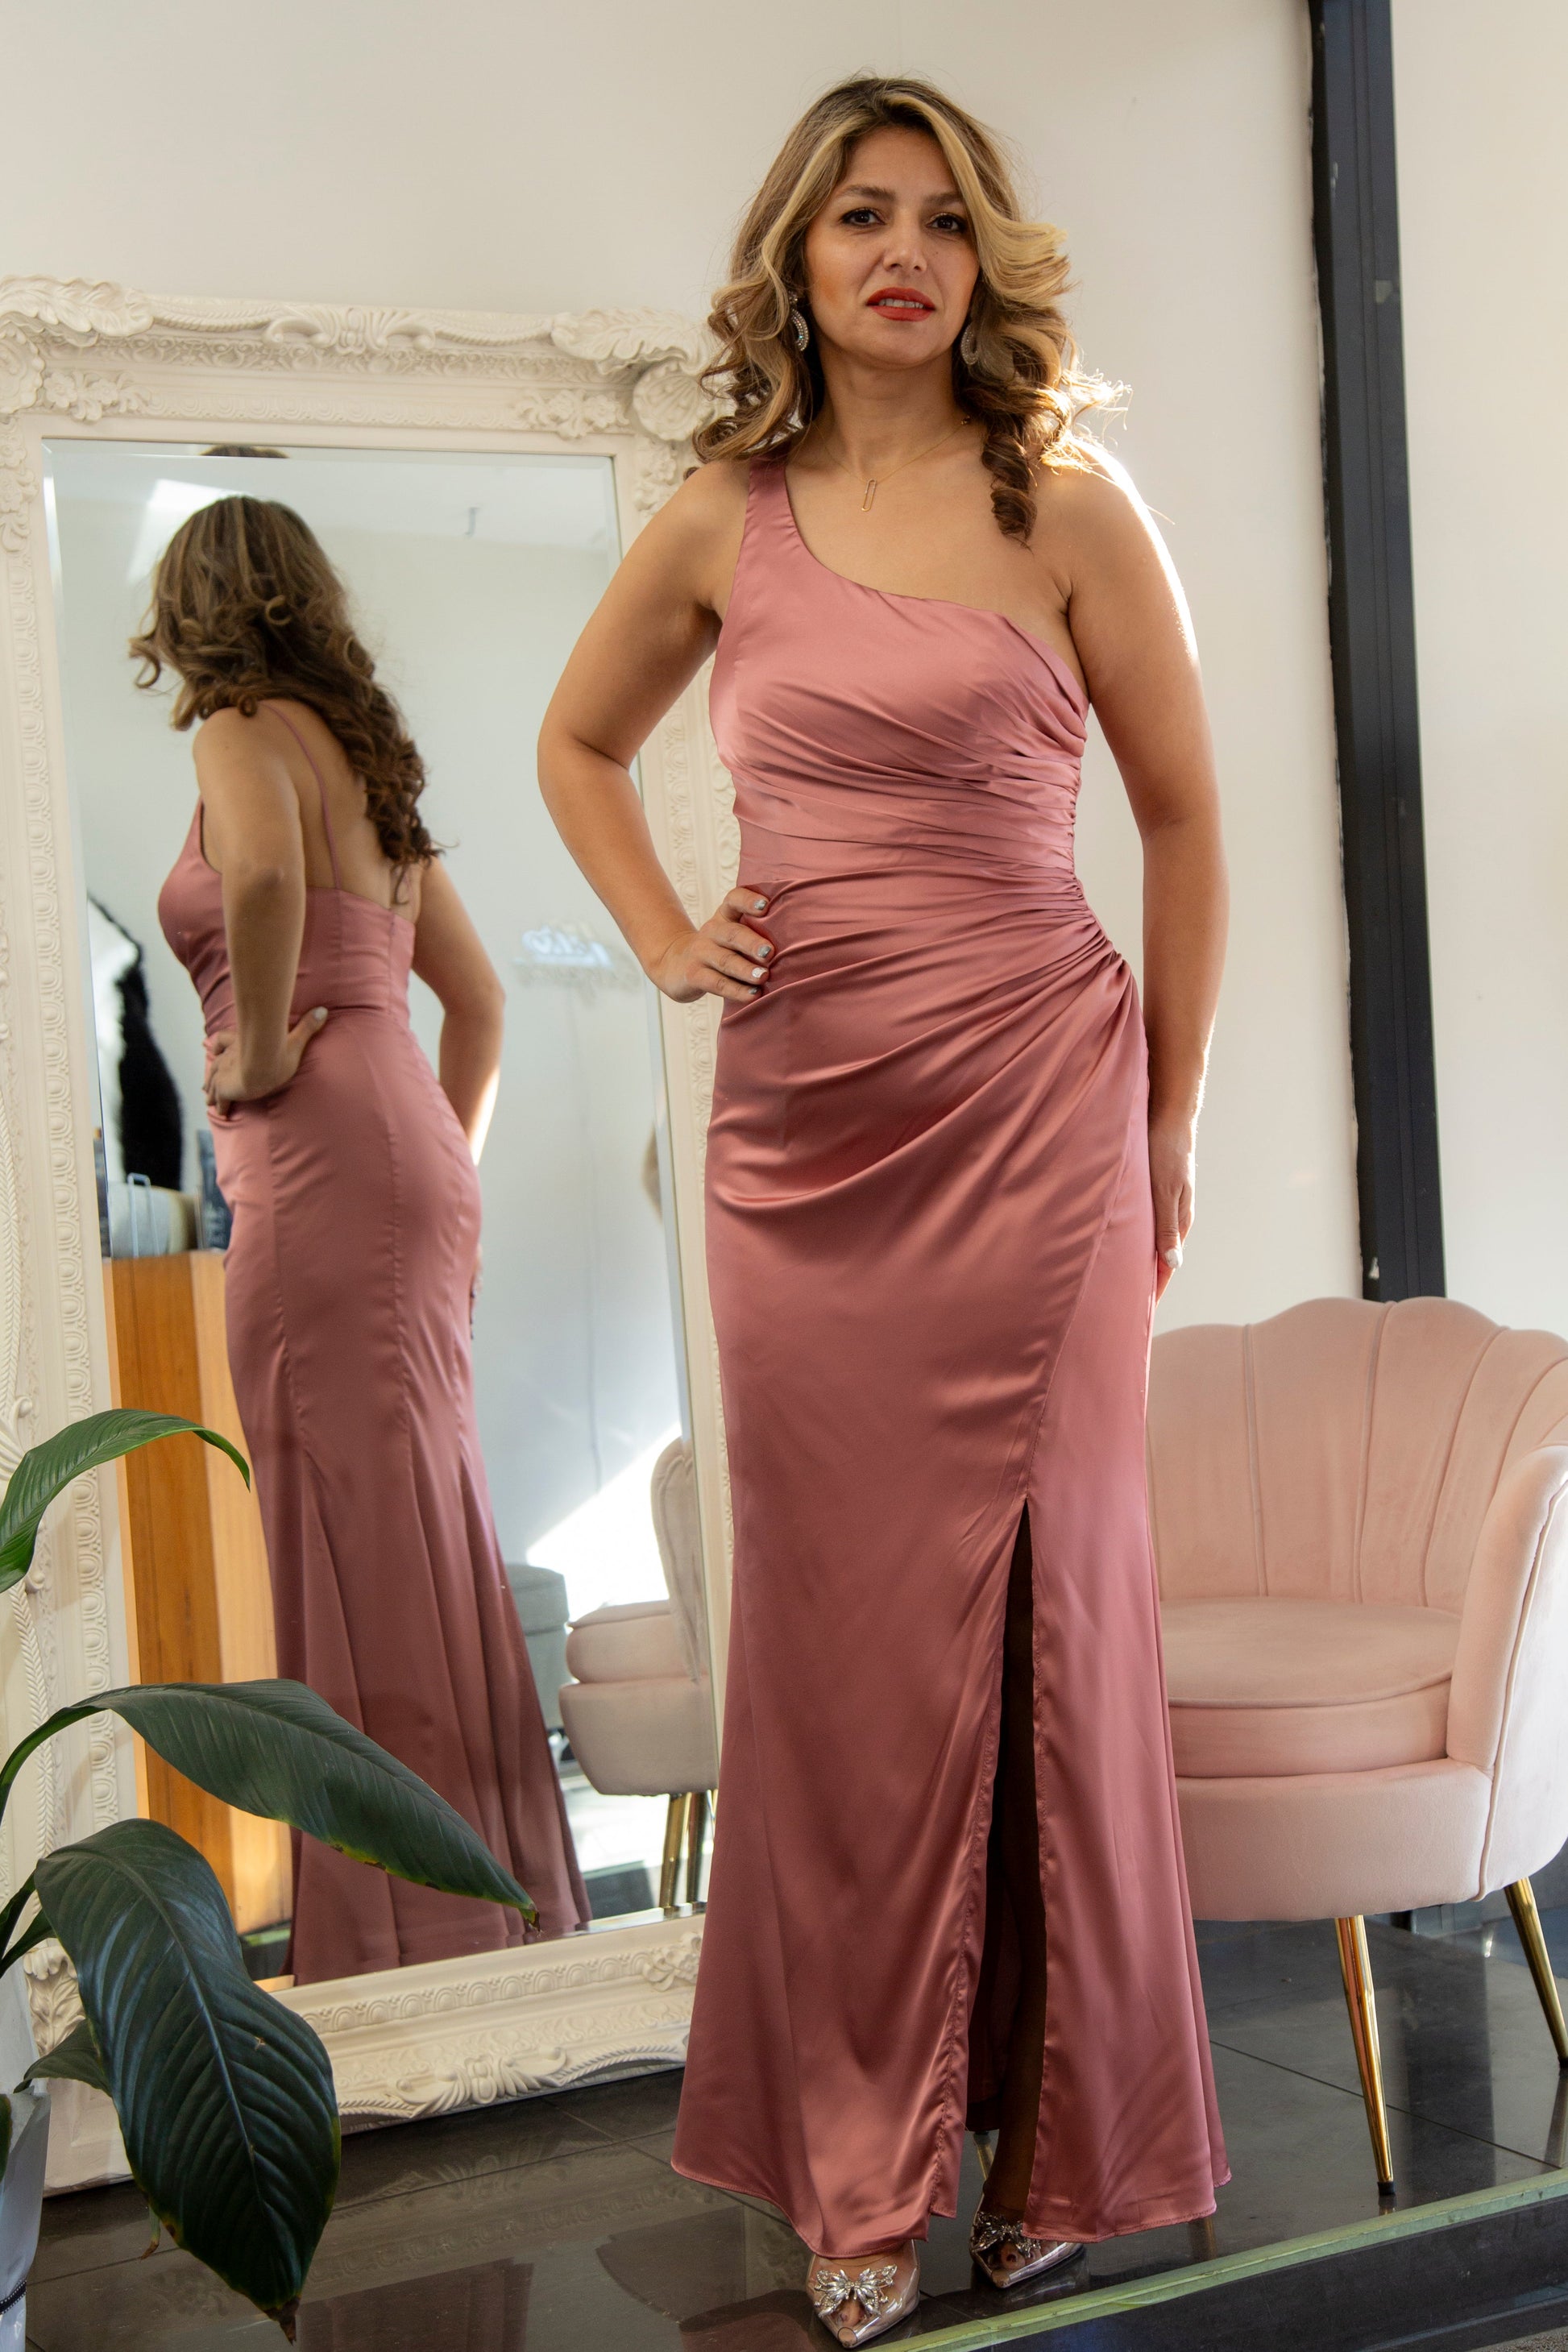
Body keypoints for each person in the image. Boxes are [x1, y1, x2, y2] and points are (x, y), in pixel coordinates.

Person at [539, 75, 1228, 2346]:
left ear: (982, 257)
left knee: (1057, 1620)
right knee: (836, 1659)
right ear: (799, 258)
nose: (903, 250)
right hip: (803, 1144)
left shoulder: (1067, 509)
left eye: (938, 216)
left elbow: (1185, 822)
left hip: (1041, 1114)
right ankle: (857, 2158)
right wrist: (665, 931)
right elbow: (573, 745)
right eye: (859, 215)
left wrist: (1169, 1118)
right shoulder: (717, 521)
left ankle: (1059, 2146)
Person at [141, 496, 588, 1984]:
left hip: (319, 1145)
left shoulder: (237, 728)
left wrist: (265, 1049)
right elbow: (483, 1004)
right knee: (420, 1518)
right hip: (408, 1140)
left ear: (192, 607)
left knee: (340, 1520)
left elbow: (265, 877)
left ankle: (405, 1931)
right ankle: (486, 1898)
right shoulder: (370, 763)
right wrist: (444, 1170)